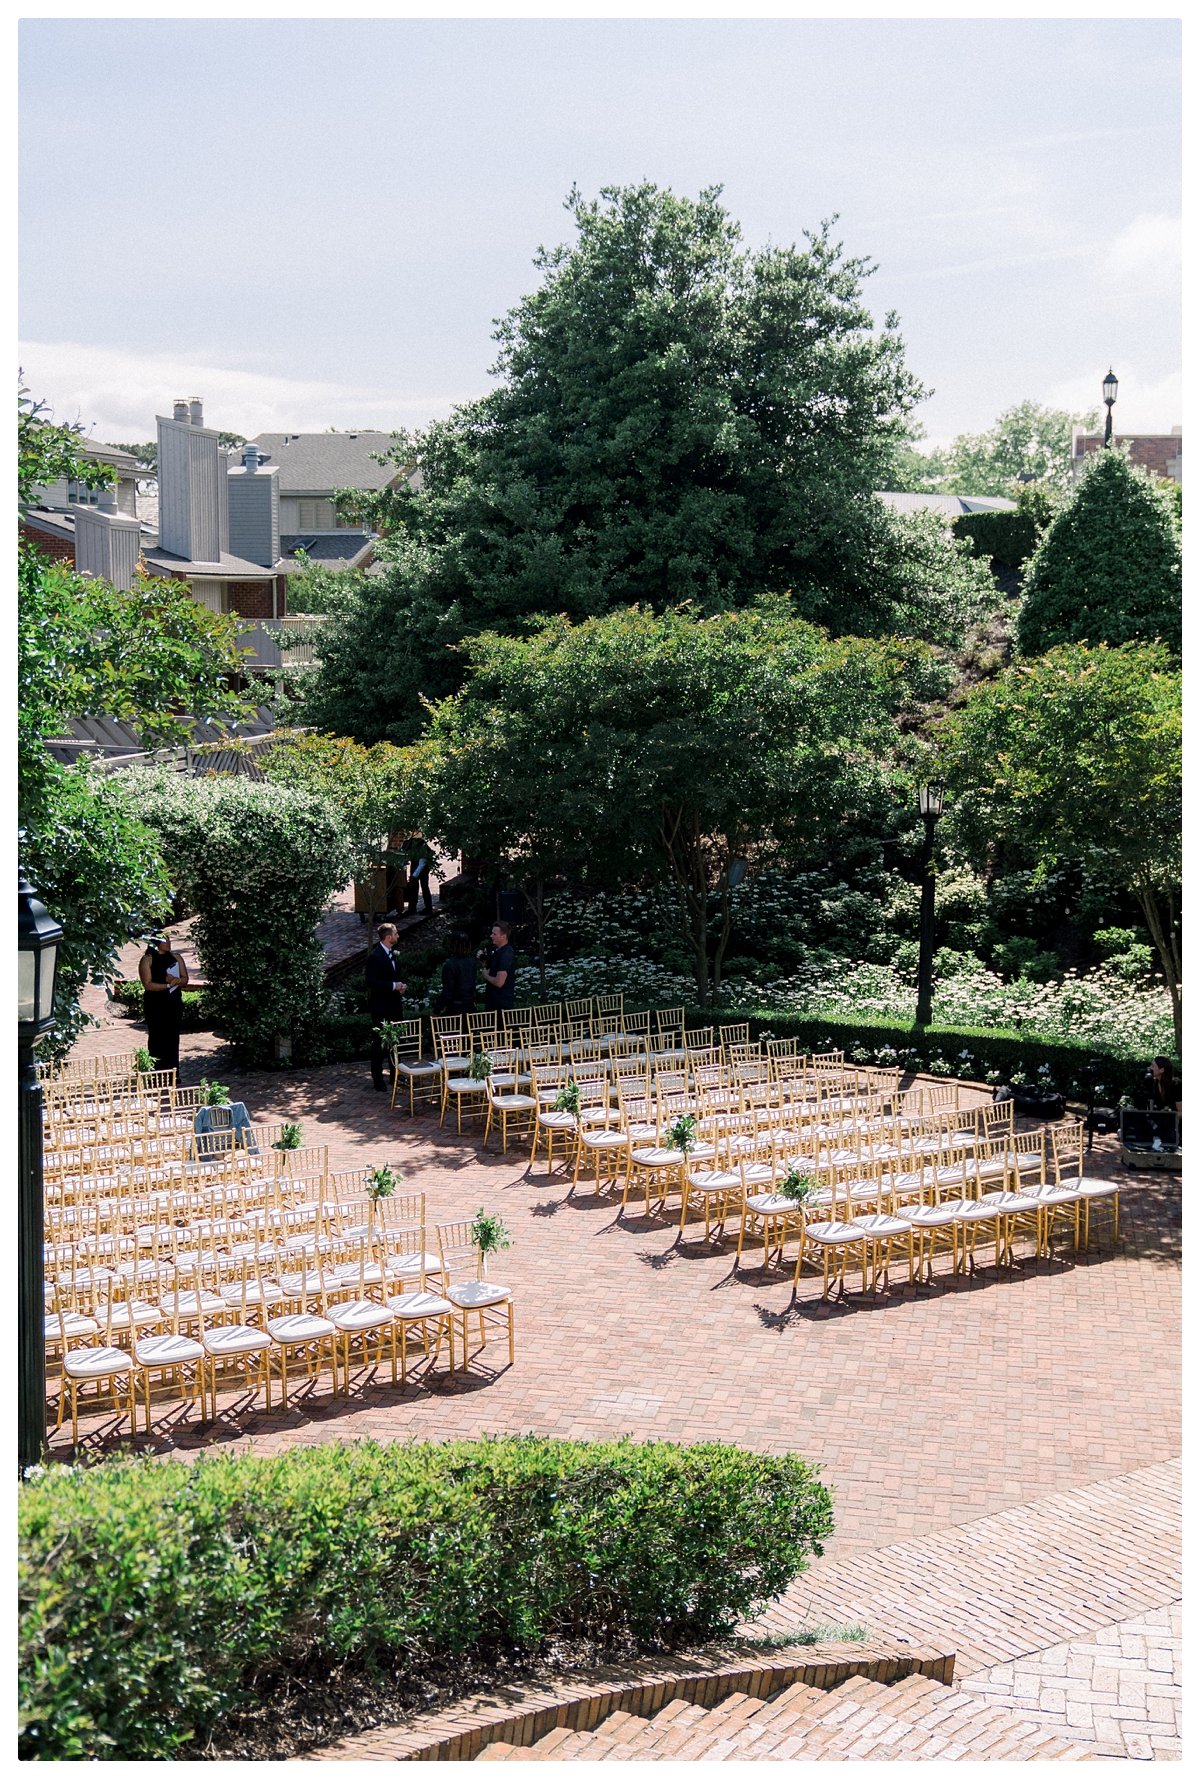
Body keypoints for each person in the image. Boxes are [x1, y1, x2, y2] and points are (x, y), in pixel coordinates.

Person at [365, 921, 408, 1092]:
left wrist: (401, 986)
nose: (398, 936)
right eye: (396, 933)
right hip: (381, 1007)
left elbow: (396, 975)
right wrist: (392, 986)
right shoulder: (375, 957)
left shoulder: (392, 954)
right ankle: (377, 1078)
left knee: (395, 1042)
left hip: (394, 1005)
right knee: (379, 1043)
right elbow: (371, 982)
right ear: (389, 937)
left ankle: (395, 1074)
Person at [138, 934, 189, 1073]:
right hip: (155, 1004)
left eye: (169, 940)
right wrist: (167, 985)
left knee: (172, 1037)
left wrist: (176, 981)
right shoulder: (147, 960)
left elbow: (185, 979)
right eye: (164, 941)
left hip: (173, 1003)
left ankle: (173, 1072)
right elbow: (148, 984)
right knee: (157, 1037)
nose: (168, 943)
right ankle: (156, 1073)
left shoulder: (176, 958)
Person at [481, 919, 516, 1013]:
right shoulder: (498, 952)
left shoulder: (506, 954)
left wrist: (486, 976)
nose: (491, 936)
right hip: (494, 1004)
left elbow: (499, 982)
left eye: (494, 934)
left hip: (500, 1006)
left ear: (503, 936)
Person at [439, 930, 477, 1015]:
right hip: (470, 1007)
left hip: (455, 1009)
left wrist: (437, 1009)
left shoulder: (450, 965)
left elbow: (447, 992)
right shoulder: (472, 962)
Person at [403, 835, 435, 918]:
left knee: (424, 887)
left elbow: (422, 863)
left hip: (424, 867)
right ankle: (412, 908)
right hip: (415, 864)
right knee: (413, 888)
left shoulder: (422, 846)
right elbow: (406, 857)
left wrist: (414, 876)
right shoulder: (410, 844)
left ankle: (428, 908)